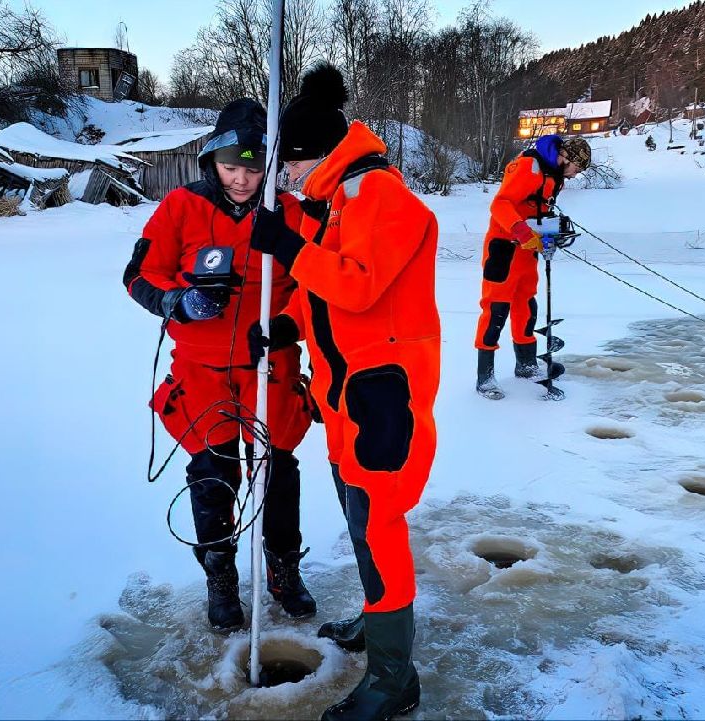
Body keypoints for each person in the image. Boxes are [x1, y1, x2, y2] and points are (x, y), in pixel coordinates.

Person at [249, 63, 440, 721]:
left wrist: (288, 245)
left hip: (382, 401)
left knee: (379, 527)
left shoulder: (380, 195)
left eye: (289, 166)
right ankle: (376, 618)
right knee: (361, 523)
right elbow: (325, 298)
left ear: (316, 156)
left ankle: (394, 678)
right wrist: (285, 323)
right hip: (345, 401)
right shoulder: (338, 203)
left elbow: (356, 284)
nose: (285, 178)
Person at [122, 97, 316, 633]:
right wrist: (175, 301)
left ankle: (283, 569)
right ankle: (221, 577)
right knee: (213, 473)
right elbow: (139, 275)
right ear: (212, 160)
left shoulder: (290, 213)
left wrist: (287, 325)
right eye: (231, 167)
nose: (241, 179)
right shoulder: (180, 206)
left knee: (277, 471)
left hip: (269, 363)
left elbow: (315, 286)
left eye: (252, 169)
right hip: (201, 369)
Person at [473, 133, 591, 400]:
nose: (575, 175)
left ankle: (526, 364)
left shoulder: (554, 176)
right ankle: (485, 376)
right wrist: (520, 230)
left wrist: (551, 231)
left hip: (528, 250)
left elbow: (535, 209)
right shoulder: (529, 166)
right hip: (503, 248)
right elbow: (500, 204)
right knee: (496, 309)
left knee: (526, 305)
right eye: (576, 168)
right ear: (566, 157)